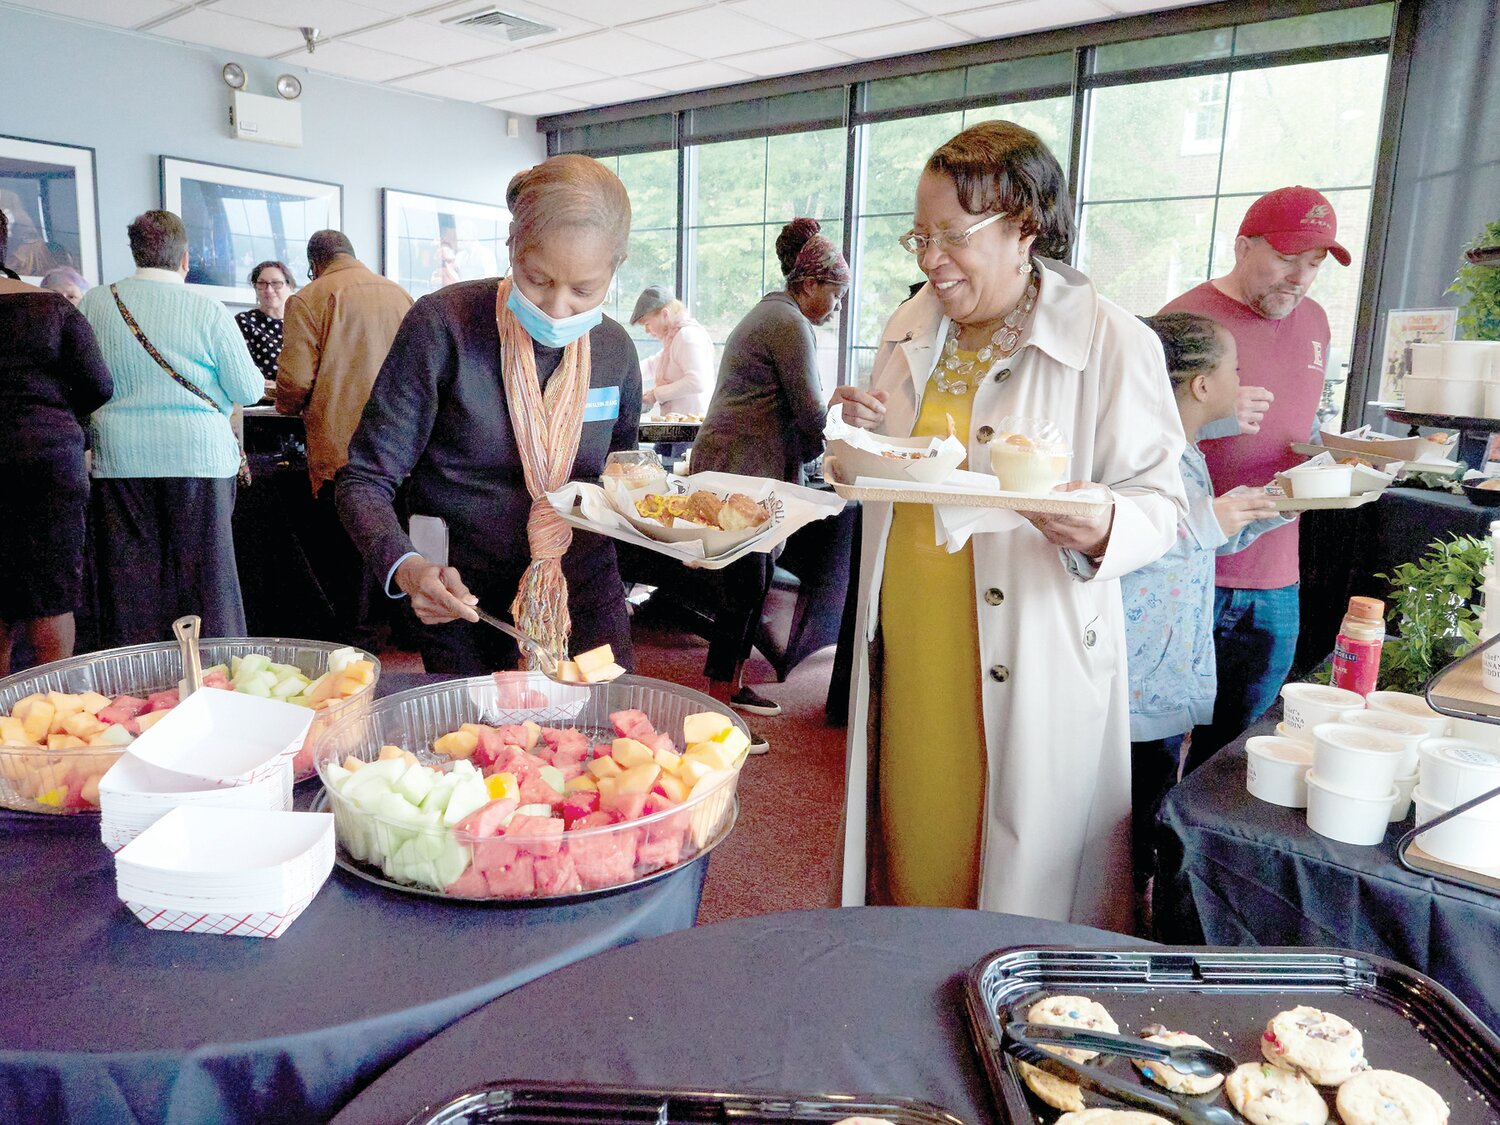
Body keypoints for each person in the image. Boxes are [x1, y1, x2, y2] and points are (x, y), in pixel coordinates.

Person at [830, 120, 1188, 929]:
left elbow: (1163, 505)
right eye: (919, 237)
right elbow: (899, 460)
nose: (930, 259)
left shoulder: (1108, 338)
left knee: (1014, 873)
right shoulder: (912, 322)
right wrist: (857, 437)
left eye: (953, 236)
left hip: (1032, 644)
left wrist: (1100, 525)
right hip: (914, 639)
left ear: (1025, 225)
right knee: (910, 835)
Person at [337, 155, 642, 674]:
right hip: (463, 595)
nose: (557, 307)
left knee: (612, 737)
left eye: (584, 290)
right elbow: (364, 478)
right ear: (512, 246)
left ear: (615, 267)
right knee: (478, 746)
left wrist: (671, 529)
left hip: (581, 586)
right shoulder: (445, 327)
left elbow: (622, 474)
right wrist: (408, 567)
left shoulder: (613, 349)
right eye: (537, 278)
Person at [1159, 186, 1351, 775]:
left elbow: (1301, 425)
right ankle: (1142, 862)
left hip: (1276, 572)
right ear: (1243, 246)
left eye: (1315, 263)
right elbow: (1127, 436)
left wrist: (1336, 458)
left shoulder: (1316, 321)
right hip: (1187, 567)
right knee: (1154, 740)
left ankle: (1201, 866)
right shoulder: (1185, 320)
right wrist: (1212, 414)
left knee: (1243, 750)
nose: (1300, 278)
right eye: (1288, 258)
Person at [1125, 312, 1288, 918]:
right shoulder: (1142, 451)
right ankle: (1118, 928)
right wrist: (1208, 521)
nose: (1241, 378)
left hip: (1163, 671)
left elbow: (1199, 542)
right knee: (1130, 826)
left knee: (1148, 811)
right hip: (1137, 679)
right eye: (1234, 367)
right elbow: (1108, 545)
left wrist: (1274, 508)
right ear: (1200, 385)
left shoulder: (1184, 451)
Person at [688, 218, 849, 728]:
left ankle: (728, 685)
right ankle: (718, 698)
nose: (838, 307)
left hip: (739, 467)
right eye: (836, 295)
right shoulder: (788, 322)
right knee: (744, 587)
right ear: (808, 285)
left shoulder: (774, 313)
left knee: (750, 585)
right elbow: (810, 413)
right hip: (740, 472)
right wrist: (848, 436)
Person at [78, 210, 263, 645]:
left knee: (131, 582)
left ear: (135, 252)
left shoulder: (97, 302)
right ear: (184, 258)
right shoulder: (207, 309)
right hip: (200, 456)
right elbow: (249, 389)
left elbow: (84, 380)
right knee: (209, 580)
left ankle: (137, 683)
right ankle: (217, 675)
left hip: (120, 456)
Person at [277, 232, 412, 644]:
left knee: (348, 551)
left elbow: (295, 380)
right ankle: (406, 632)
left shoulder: (309, 299)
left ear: (313, 263)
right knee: (399, 536)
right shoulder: (399, 295)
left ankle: (359, 638)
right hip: (404, 444)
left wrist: (285, 403)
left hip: (342, 444)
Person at [0, 210, 113, 674]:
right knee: (51, 591)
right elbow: (99, 384)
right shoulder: (50, 307)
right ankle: (49, 711)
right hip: (48, 458)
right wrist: (58, 413)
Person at [630, 285, 712, 417]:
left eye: (647, 324)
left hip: (691, 428)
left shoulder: (687, 336)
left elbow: (696, 382)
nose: (646, 331)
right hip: (682, 425)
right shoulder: (675, 339)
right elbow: (651, 366)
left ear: (665, 315)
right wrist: (625, 374)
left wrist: (656, 394)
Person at [236, 260, 296, 381]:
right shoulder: (244, 322)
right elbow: (240, 371)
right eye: (261, 283)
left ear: (290, 286)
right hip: (261, 398)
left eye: (276, 283)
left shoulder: (303, 323)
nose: (268, 290)